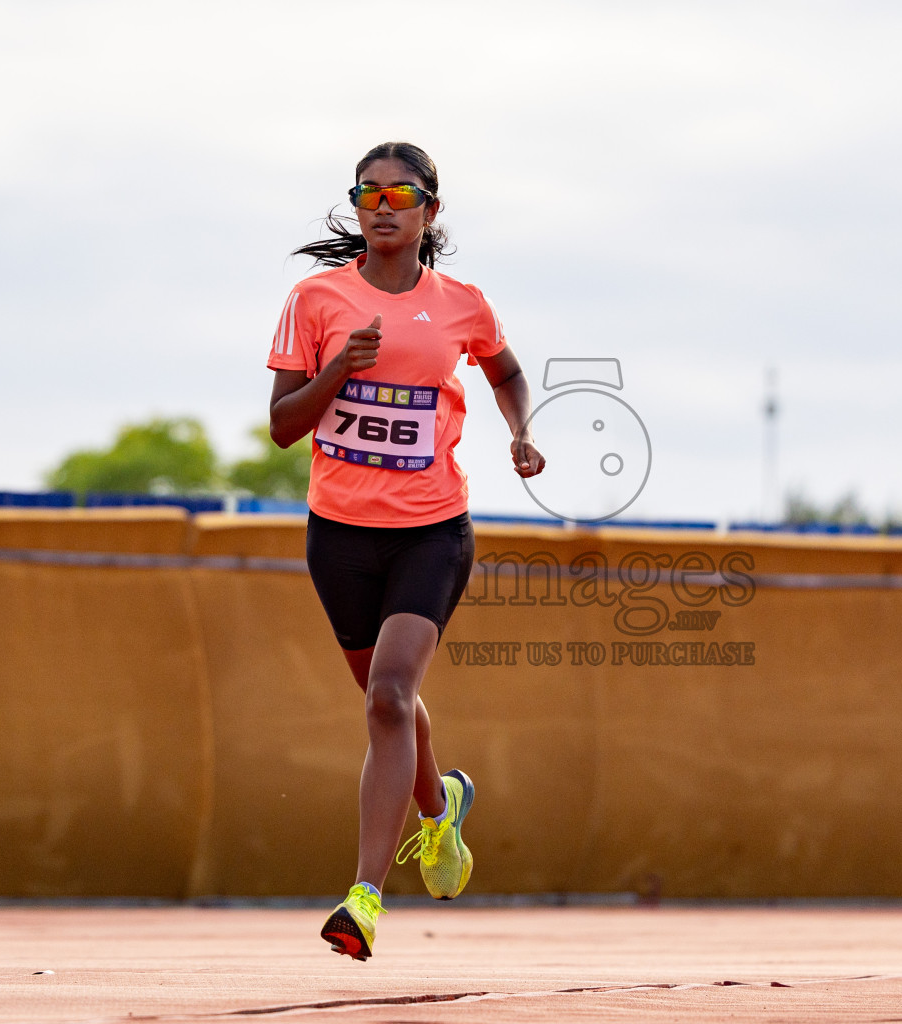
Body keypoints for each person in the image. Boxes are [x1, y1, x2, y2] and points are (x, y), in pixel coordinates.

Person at [266, 141, 544, 960]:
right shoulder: (316, 299)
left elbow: (506, 371)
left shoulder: (461, 304)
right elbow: (284, 424)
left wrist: (521, 432)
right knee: (389, 702)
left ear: (430, 210)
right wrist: (339, 374)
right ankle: (439, 807)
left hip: (431, 529)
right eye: (369, 195)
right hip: (340, 534)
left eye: (401, 196)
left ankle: (364, 898)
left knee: (388, 699)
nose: (383, 208)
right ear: (355, 207)